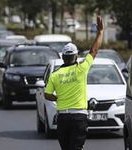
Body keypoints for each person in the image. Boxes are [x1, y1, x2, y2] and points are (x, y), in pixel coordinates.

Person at [44, 16, 103, 150]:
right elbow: (93, 51)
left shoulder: (55, 75)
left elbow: (47, 95)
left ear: (63, 57)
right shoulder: (81, 69)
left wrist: (58, 97)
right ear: (76, 56)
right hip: (79, 118)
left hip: (63, 118)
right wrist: (100, 32)